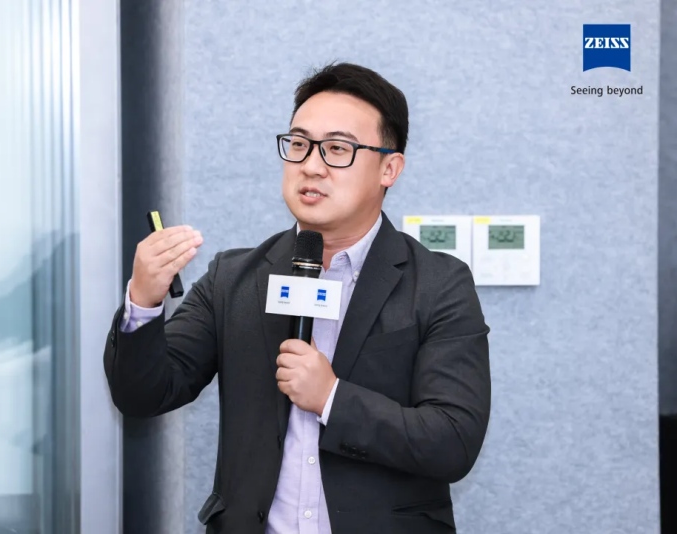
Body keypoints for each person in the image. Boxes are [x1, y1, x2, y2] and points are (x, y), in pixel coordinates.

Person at [104, 62, 491, 534]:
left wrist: (331, 398)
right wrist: (144, 300)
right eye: (300, 144)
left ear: (389, 168)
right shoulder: (234, 279)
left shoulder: (438, 284)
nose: (311, 165)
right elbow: (143, 394)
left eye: (337, 149)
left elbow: (453, 441)